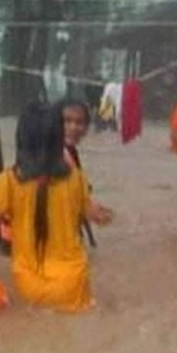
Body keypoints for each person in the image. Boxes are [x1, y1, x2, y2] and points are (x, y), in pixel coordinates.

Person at [0, 102, 113, 313]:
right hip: (75, 283)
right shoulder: (76, 178)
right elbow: (93, 214)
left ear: (22, 139)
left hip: (32, 287)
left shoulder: (9, 181)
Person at [59, 98, 98, 247]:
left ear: (86, 128)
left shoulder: (70, 151)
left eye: (79, 123)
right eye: (67, 121)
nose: (73, 127)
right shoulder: (59, 153)